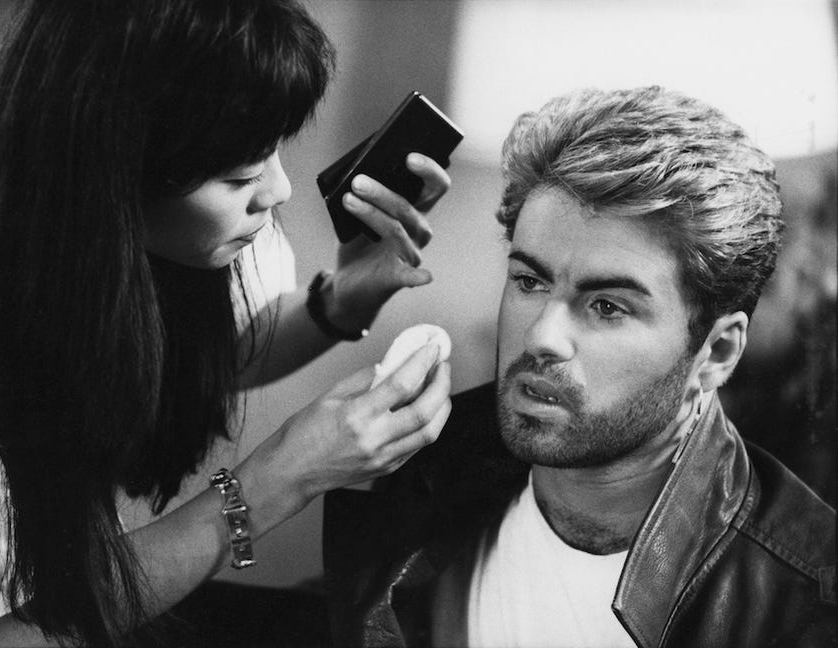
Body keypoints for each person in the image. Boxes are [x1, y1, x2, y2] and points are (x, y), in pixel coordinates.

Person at [0, 1, 455, 647]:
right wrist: (280, 477)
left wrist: (341, 301)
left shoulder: (148, 232)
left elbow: (221, 350)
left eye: (274, 152)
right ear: (114, 178)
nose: (278, 191)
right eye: (241, 176)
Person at [324, 86, 836, 648]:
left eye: (608, 307)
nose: (543, 336)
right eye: (529, 281)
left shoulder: (803, 600)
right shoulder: (419, 477)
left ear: (715, 353)